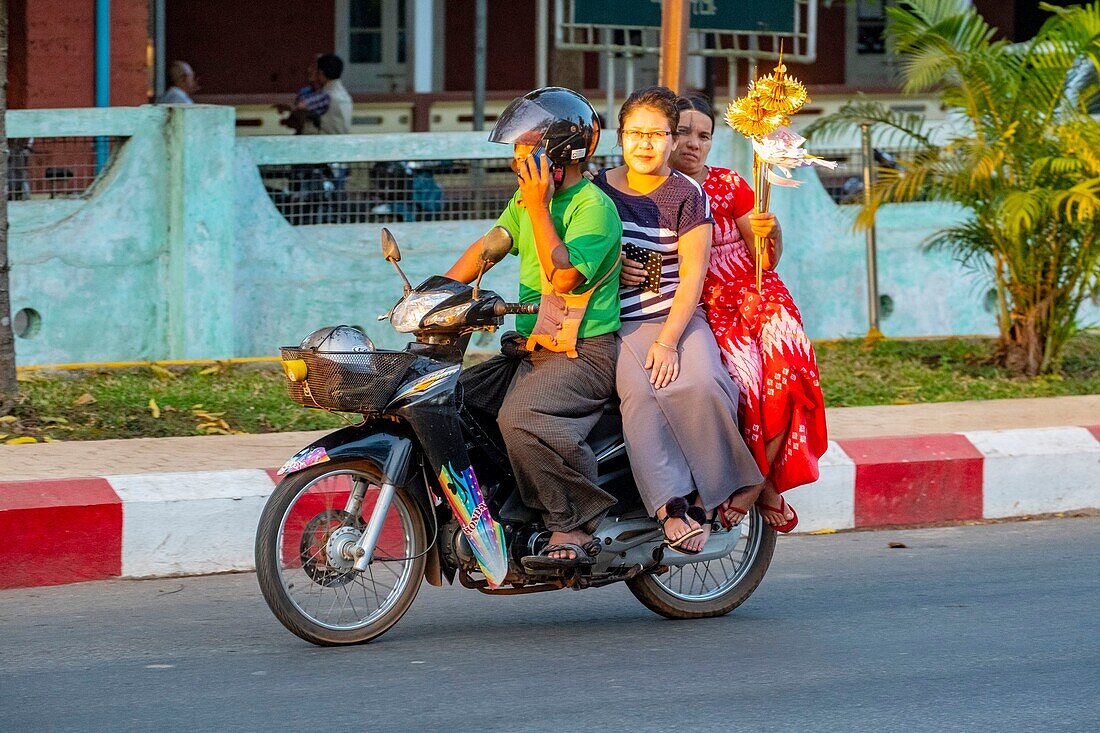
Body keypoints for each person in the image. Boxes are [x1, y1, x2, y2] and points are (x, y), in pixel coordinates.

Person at [624, 93, 828, 537]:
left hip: (757, 292)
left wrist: (769, 229)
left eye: (705, 136)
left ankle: (756, 485)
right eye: (683, 133)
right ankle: (759, 481)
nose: (693, 144)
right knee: (747, 382)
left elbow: (766, 260)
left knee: (791, 370)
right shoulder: (660, 190)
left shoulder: (731, 183)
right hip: (707, 302)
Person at [444, 87, 624, 570]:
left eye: (526, 151)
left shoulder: (593, 208)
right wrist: (433, 295)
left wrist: (541, 207)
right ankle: (506, 512)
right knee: (452, 400)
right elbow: (491, 246)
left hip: (583, 353)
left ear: (559, 153)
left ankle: (572, 522)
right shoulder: (524, 204)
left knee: (521, 419)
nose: (517, 163)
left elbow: (563, 276)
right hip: (533, 347)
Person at [593, 86, 763, 553]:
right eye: (636, 133)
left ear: (670, 140)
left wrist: (668, 340)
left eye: (657, 134)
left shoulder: (686, 194)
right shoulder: (597, 189)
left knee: (704, 382)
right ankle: (671, 508)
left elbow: (692, 275)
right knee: (641, 395)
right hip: (621, 321)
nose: (645, 144)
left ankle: (724, 491)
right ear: (620, 136)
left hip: (678, 316)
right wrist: (612, 268)